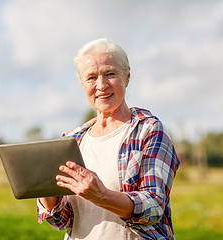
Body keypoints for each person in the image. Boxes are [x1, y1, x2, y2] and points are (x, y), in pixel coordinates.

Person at [37, 38, 180, 240]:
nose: (101, 85)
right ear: (81, 83)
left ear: (127, 77)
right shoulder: (72, 141)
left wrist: (100, 195)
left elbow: (154, 207)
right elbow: (64, 221)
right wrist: (44, 190)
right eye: (91, 77)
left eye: (110, 74)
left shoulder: (150, 131)